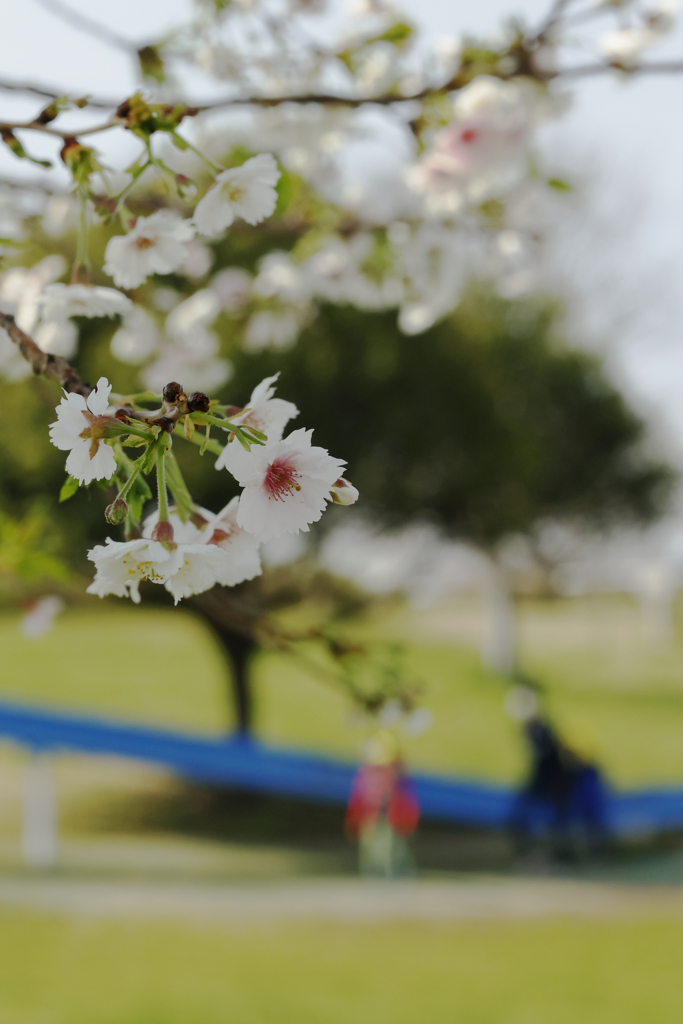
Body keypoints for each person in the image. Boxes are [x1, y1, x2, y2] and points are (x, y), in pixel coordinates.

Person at [506, 684, 609, 858]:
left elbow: (550, 764)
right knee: (536, 813)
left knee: (564, 817)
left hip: (558, 784)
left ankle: (570, 849)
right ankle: (539, 846)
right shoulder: (540, 732)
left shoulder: (545, 734)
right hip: (552, 784)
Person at [345, 729, 420, 877]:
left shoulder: (395, 773)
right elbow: (359, 799)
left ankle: (394, 873)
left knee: (392, 848)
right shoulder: (367, 774)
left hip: (389, 820)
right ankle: (373, 873)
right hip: (372, 819)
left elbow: (404, 797)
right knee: (372, 849)